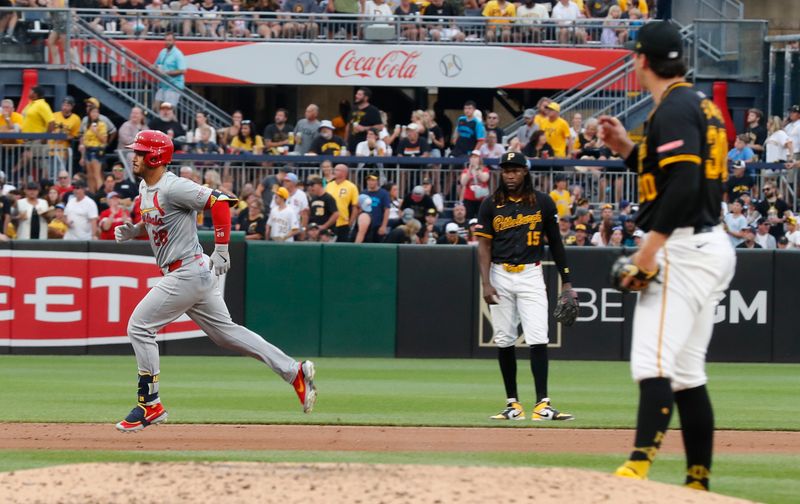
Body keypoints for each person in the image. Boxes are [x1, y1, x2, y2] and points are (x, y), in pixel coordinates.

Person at [598, 21, 736, 491]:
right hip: (709, 242)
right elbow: (675, 169)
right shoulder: (694, 102)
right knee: (686, 373)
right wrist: (627, 149)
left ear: (640, 60)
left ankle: (636, 469)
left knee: (651, 362)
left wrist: (648, 252)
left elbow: (685, 183)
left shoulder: (674, 106)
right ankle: (697, 481)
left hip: (683, 244)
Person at [113, 130, 316, 432]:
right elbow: (161, 221)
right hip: (190, 272)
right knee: (226, 334)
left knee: (139, 327)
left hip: (186, 271)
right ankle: (294, 371)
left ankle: (150, 403)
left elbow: (221, 201)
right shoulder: (146, 187)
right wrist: (136, 231)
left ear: (155, 156)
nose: (134, 156)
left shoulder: (174, 186)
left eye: (140, 152)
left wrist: (221, 248)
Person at [475, 151, 576, 422]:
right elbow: (483, 246)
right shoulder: (490, 204)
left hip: (531, 273)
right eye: (506, 170)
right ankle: (513, 405)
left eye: (516, 170)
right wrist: (485, 282)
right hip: (500, 273)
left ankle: (542, 405)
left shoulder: (543, 202)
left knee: (538, 337)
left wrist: (567, 282)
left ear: (525, 172)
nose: (510, 174)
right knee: (504, 339)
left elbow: (556, 243)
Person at [325, 164, 359, 242]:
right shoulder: (329, 185)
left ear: (344, 173)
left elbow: (355, 207)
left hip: (343, 223)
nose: (334, 171)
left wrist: (350, 222)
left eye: (337, 170)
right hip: (330, 222)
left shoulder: (352, 187)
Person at [153, 32, 187, 109]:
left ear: (174, 41)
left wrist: (166, 73)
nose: (167, 42)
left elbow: (183, 70)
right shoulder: (163, 52)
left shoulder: (178, 54)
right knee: (156, 107)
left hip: (174, 86)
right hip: (163, 85)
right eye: (166, 40)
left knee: (168, 110)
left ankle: (172, 121)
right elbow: (156, 64)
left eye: (169, 40)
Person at [80, 107, 109, 193]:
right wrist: (82, 156)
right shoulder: (87, 125)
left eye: (96, 112)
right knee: (90, 175)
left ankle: (100, 194)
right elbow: (84, 141)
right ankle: (92, 194)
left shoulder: (101, 124)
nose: (94, 114)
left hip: (96, 150)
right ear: (89, 114)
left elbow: (104, 140)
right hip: (87, 150)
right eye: (92, 112)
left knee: (97, 174)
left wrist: (96, 131)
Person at [346, 87, 382, 154]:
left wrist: (364, 128)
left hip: (365, 146)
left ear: (366, 98)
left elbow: (380, 127)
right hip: (352, 145)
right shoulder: (353, 108)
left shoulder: (373, 110)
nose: (356, 96)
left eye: (359, 95)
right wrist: (346, 142)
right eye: (356, 94)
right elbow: (348, 125)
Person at [459, 150, 490, 219]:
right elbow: (463, 182)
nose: (473, 159)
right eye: (472, 157)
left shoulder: (485, 169)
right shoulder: (466, 171)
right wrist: (469, 170)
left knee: (481, 218)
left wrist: (477, 168)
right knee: (469, 218)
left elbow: (484, 179)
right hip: (469, 199)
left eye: (475, 157)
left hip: (481, 199)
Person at [364, 173, 390, 241]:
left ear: (377, 181)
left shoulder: (384, 193)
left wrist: (383, 226)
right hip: (365, 225)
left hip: (378, 225)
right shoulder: (363, 193)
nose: (370, 182)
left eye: (373, 180)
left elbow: (387, 210)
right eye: (369, 180)